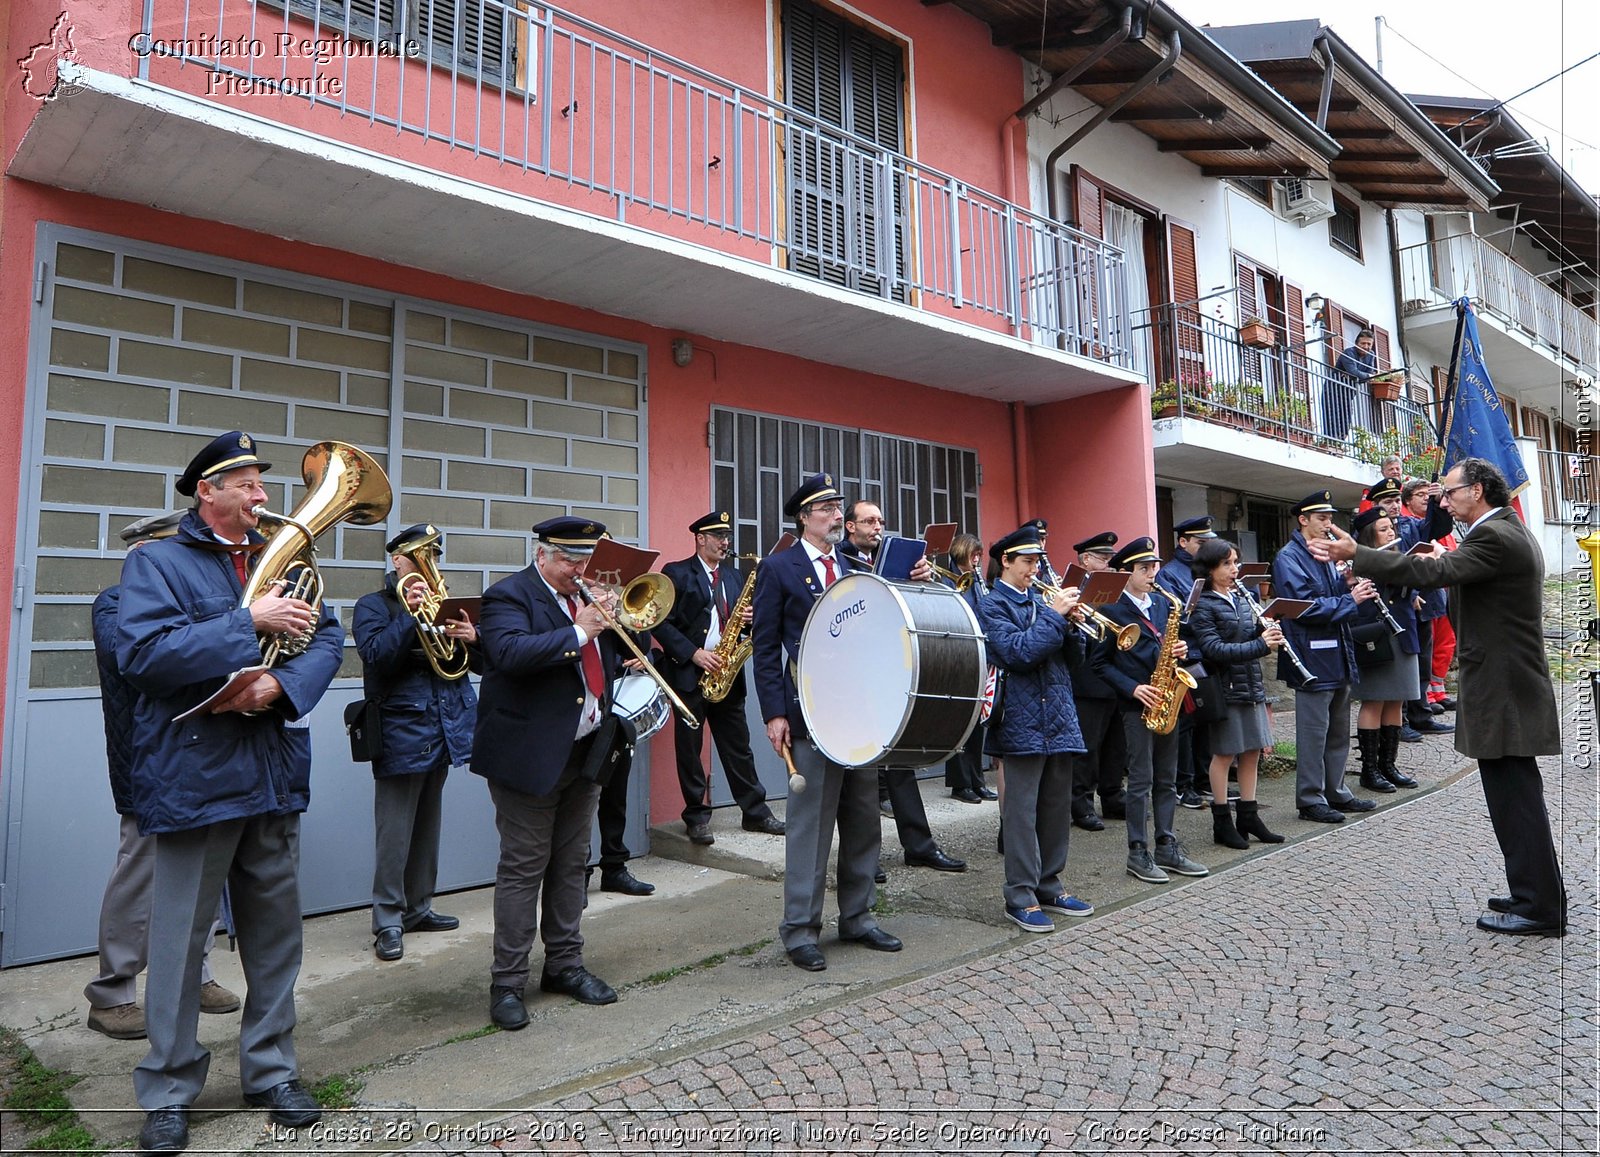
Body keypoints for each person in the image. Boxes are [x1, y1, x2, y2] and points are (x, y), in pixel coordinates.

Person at [117, 432, 343, 1153]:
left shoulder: (286, 558)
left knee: (276, 938)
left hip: (272, 768)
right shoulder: (157, 561)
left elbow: (329, 637)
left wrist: (284, 681)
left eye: (261, 484)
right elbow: (144, 656)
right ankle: (169, 1086)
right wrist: (248, 621)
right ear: (206, 491)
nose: (263, 496)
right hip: (195, 776)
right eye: (247, 484)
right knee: (180, 941)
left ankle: (271, 1070)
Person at [1312, 458, 1565, 937]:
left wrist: (1357, 554)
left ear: (1480, 490)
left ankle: (1540, 907)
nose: (1443, 501)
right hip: (1504, 682)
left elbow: (1435, 572)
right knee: (1515, 796)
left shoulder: (1496, 536)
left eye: (1450, 492)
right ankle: (1536, 890)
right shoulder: (1503, 531)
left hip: (1503, 686)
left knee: (1516, 801)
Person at [84, 512, 240, 1042]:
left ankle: (196, 975)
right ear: (147, 552)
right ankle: (113, 993)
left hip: (204, 759)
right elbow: (134, 661)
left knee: (207, 876)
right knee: (140, 875)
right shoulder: (115, 601)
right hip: (146, 765)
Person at [753, 475, 903, 972]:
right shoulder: (778, 567)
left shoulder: (854, 565)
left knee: (863, 819)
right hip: (810, 712)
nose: (837, 514)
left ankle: (858, 916)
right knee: (810, 826)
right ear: (804, 516)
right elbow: (765, 650)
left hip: (860, 712)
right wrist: (775, 713)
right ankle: (800, 929)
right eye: (827, 508)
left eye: (839, 507)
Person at [352, 524, 481, 963]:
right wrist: (410, 616)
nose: (428, 565)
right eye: (418, 556)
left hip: (442, 728)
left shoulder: (445, 605)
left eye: (432, 556)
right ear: (397, 561)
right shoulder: (375, 605)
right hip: (401, 731)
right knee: (394, 833)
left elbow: (465, 665)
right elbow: (376, 657)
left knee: (428, 826)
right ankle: (388, 919)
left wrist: (467, 637)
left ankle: (418, 907)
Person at [977, 524, 1094, 932]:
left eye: (1037, 561)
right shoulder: (992, 605)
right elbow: (1018, 652)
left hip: (1059, 715)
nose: (1035, 570)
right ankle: (1020, 894)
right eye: (1027, 562)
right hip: (1019, 720)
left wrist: (1074, 628)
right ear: (1005, 561)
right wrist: (1055, 616)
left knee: (1056, 808)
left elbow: (1076, 663)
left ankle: (1050, 884)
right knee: (1022, 813)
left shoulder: (1044, 604)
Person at [839, 500, 966, 875]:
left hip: (893, 666)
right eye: (868, 521)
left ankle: (919, 845)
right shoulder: (838, 559)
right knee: (857, 773)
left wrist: (922, 578)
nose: (877, 527)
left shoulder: (892, 556)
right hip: (853, 673)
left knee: (900, 762)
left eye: (880, 520)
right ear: (850, 527)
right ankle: (865, 857)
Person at [654, 512, 785, 844]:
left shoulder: (735, 575)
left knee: (738, 747)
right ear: (700, 538)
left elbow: (745, 625)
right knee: (690, 749)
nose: (726, 542)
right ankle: (696, 817)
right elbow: (658, 621)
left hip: (727, 671)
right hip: (689, 673)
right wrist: (693, 652)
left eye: (727, 537)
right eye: (718, 537)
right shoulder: (677, 572)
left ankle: (755, 812)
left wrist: (753, 619)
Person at [1093, 537, 1209, 884]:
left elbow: (1180, 644)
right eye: (1144, 569)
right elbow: (1099, 664)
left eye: (1154, 567)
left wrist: (1183, 649)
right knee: (1140, 780)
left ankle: (1166, 845)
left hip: (1167, 699)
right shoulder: (1111, 610)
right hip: (1137, 704)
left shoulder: (1163, 604)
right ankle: (1137, 851)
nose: (1151, 574)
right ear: (1126, 573)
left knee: (1166, 778)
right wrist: (1132, 688)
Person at [1270, 491, 1379, 825]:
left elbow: (1332, 598)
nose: (1329, 524)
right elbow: (1302, 607)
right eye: (1322, 518)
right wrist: (1351, 600)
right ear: (1303, 520)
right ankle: (1310, 798)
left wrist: (1349, 583)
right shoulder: (1289, 557)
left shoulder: (1328, 554)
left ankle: (1336, 790)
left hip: (1338, 653)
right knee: (1314, 733)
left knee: (1337, 731)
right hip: (1310, 656)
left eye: (1331, 518)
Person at [1187, 538, 1285, 848]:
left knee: (1253, 749)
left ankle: (1249, 814)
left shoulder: (1242, 597)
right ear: (1210, 568)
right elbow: (1213, 649)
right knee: (1226, 753)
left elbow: (1243, 634)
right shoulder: (1203, 604)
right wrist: (1260, 644)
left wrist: (1264, 629)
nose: (1234, 569)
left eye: (1236, 563)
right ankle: (1222, 821)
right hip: (1225, 687)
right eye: (1227, 564)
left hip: (1250, 683)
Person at [1370, 476, 1455, 737]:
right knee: (1402, 664)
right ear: (1376, 505)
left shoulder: (1409, 524)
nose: (1394, 506)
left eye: (1396, 500)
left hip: (1423, 604)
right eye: (1387, 501)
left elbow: (1436, 528)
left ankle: (1421, 714)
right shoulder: (1370, 530)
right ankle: (1402, 719)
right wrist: (1412, 592)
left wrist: (1437, 501)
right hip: (1397, 606)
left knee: (1422, 661)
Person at [1348, 507, 1422, 795]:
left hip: (1403, 632)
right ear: (1369, 535)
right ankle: (1369, 769)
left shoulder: (1398, 556)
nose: (1391, 531)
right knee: (1374, 701)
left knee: (1396, 701)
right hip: (1377, 636)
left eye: (1392, 527)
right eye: (1383, 529)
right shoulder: (1363, 563)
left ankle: (1388, 765)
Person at [1155, 516, 1216, 810]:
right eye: (1201, 543)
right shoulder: (1170, 574)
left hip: (1207, 652)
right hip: (1187, 654)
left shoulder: (1205, 569)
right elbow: (1175, 618)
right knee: (1186, 724)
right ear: (1183, 542)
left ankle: (1205, 779)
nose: (1206, 548)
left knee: (1207, 720)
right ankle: (1183, 784)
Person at [1066, 531, 1125, 829]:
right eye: (1104, 558)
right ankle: (1081, 803)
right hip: (1088, 677)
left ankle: (1113, 796)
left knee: (1116, 745)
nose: (1109, 563)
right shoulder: (1072, 587)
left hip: (1116, 674)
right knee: (1087, 746)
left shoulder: (1116, 587)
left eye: (1110, 558)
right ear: (1086, 559)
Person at [942, 533, 995, 804]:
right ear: (960, 553)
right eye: (972, 555)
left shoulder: (978, 582)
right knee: (960, 723)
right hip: (959, 656)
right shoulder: (947, 579)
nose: (976, 560)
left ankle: (978, 780)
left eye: (979, 555)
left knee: (977, 724)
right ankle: (960, 783)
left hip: (980, 655)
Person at [1327, 328, 1377, 439]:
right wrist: (1366, 376)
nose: (1366, 346)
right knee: (1333, 417)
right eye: (1363, 343)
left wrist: (1362, 376)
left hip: (1349, 392)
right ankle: (1331, 442)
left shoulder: (1371, 355)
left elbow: (1366, 374)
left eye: (1369, 344)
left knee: (1346, 419)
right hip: (1334, 389)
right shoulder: (1348, 352)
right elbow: (1353, 371)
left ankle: (1340, 442)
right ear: (1356, 343)